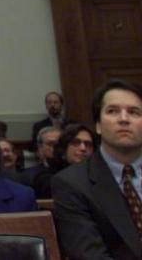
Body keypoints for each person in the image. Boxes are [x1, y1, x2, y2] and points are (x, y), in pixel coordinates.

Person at [53, 80, 142, 259]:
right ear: (98, 126)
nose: (124, 119)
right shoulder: (72, 183)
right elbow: (89, 255)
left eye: (134, 112)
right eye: (113, 111)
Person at [33, 123, 95, 198]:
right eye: (76, 143)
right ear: (64, 148)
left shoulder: (97, 174)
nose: (83, 148)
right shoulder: (46, 177)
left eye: (88, 144)